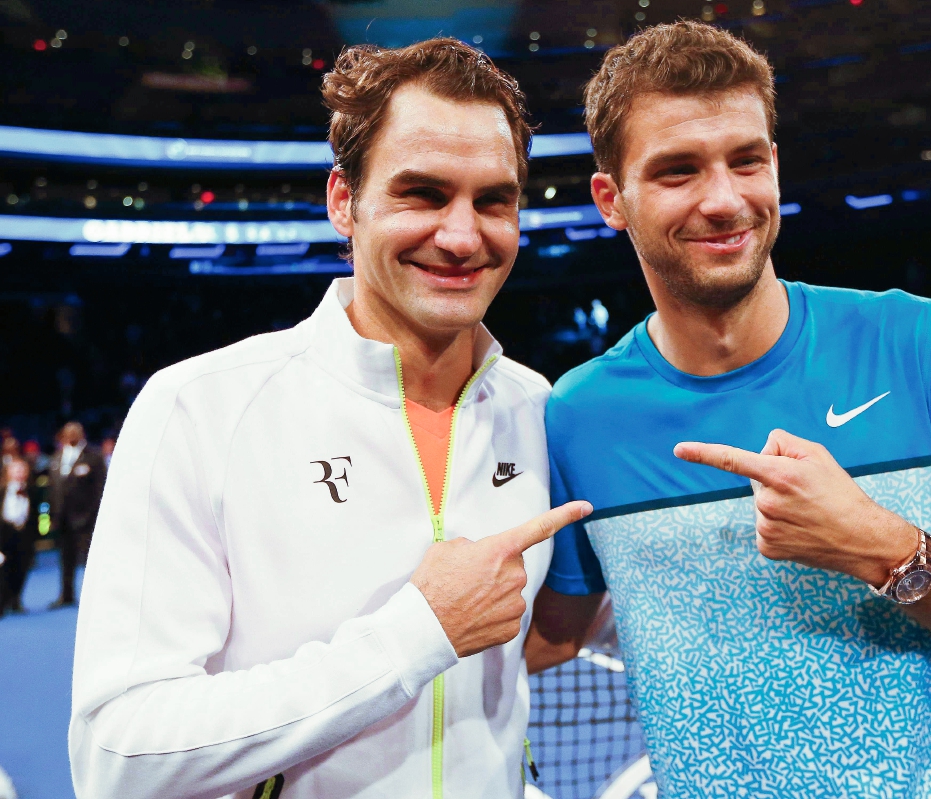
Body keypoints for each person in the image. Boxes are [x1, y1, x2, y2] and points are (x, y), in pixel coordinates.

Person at [526, 21, 931, 798]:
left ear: (775, 167)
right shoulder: (577, 416)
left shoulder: (917, 341)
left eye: (746, 160)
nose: (723, 199)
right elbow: (542, 636)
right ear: (609, 199)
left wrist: (883, 547)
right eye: (677, 171)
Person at [69, 39, 590, 799]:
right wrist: (415, 633)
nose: (461, 234)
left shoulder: (539, 408)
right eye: (423, 192)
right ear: (344, 201)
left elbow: (544, 645)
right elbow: (117, 756)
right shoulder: (199, 408)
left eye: (492, 200)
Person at [47, 422, 106, 608]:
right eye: (67, 433)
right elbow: (52, 488)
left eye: (75, 432)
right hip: (62, 520)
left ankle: (97, 597)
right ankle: (66, 595)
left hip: (86, 520)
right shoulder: (57, 457)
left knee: (91, 561)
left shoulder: (94, 457)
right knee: (66, 560)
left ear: (82, 434)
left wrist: (93, 516)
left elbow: (100, 489)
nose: (71, 435)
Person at [0, 458, 36, 616]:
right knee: (4, 571)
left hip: (24, 536)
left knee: (21, 569)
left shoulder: (33, 491)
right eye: (15, 470)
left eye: (22, 470)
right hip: (4, 536)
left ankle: (16, 600)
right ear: (8, 472)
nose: (19, 473)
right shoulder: (2, 491)